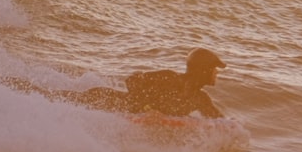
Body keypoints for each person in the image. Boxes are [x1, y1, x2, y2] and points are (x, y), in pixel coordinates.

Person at [69, 48, 227, 118]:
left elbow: (221, 122)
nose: (216, 73)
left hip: (124, 113)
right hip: (109, 102)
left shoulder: (200, 99)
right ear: (204, 70)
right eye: (214, 69)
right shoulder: (170, 79)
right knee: (61, 99)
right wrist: (148, 109)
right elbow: (132, 81)